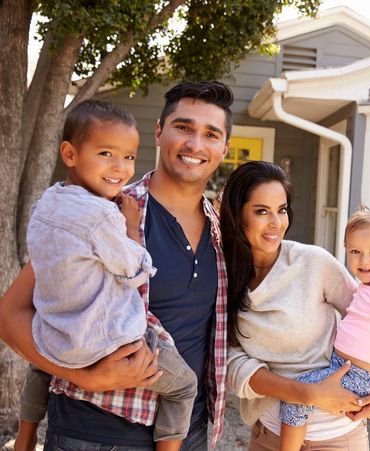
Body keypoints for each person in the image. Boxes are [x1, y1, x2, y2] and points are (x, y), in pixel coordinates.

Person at [0, 81, 231, 451]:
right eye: (183, 128)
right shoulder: (106, 211)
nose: (195, 144)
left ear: (225, 148)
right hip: (93, 435)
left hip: (192, 433)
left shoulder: (221, 231)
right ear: (159, 131)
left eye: (211, 134)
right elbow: (12, 313)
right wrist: (83, 376)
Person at [221, 161, 370, 451]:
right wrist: (305, 393)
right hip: (271, 436)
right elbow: (229, 362)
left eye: (282, 209)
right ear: (238, 214)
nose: (276, 223)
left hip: (338, 436)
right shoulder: (222, 278)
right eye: (262, 211)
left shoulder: (314, 263)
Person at [278, 208, 370, 451]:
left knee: (296, 396)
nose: (364, 260)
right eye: (355, 252)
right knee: (302, 392)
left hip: (360, 376)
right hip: (346, 368)